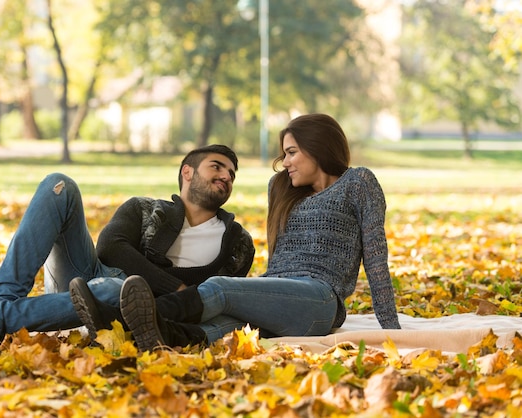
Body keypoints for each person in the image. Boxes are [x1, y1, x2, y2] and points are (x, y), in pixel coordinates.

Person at [71, 113, 401, 352]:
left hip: (319, 301)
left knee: (218, 289)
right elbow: (280, 260)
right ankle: (152, 338)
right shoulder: (282, 189)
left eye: (291, 152)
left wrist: (393, 331)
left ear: (318, 148)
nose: (284, 162)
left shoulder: (358, 182)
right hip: (282, 296)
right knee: (222, 326)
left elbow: (375, 258)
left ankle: (115, 319)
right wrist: (260, 300)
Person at [0, 144, 255, 349]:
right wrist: (177, 286)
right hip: (84, 276)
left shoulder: (237, 243)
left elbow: (220, 298)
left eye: (231, 173)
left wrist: (157, 297)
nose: (226, 175)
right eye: (217, 166)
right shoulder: (144, 208)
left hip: (139, 309)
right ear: (187, 172)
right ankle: (0, 305)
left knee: (115, 289)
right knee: (59, 185)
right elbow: (110, 248)